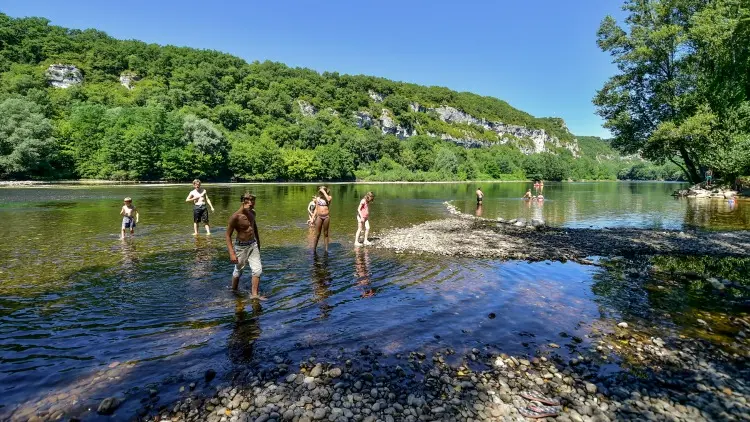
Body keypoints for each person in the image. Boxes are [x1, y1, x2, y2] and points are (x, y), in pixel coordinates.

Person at [226, 193, 264, 298]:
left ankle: (254, 295)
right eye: (248, 201)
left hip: (253, 244)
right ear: (243, 202)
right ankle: (233, 290)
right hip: (241, 246)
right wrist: (231, 253)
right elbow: (228, 235)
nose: (251, 204)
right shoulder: (235, 217)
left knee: (257, 270)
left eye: (253, 201)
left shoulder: (252, 213)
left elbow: (254, 227)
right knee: (239, 270)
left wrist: (258, 243)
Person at [312, 186, 333, 251]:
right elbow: (316, 208)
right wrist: (313, 217)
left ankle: (326, 250)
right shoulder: (318, 199)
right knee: (317, 234)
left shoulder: (329, 197)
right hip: (319, 217)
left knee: (326, 233)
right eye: (320, 192)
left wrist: (324, 192)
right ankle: (314, 249)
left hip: (326, 217)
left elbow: (329, 199)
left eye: (322, 192)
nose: (321, 193)